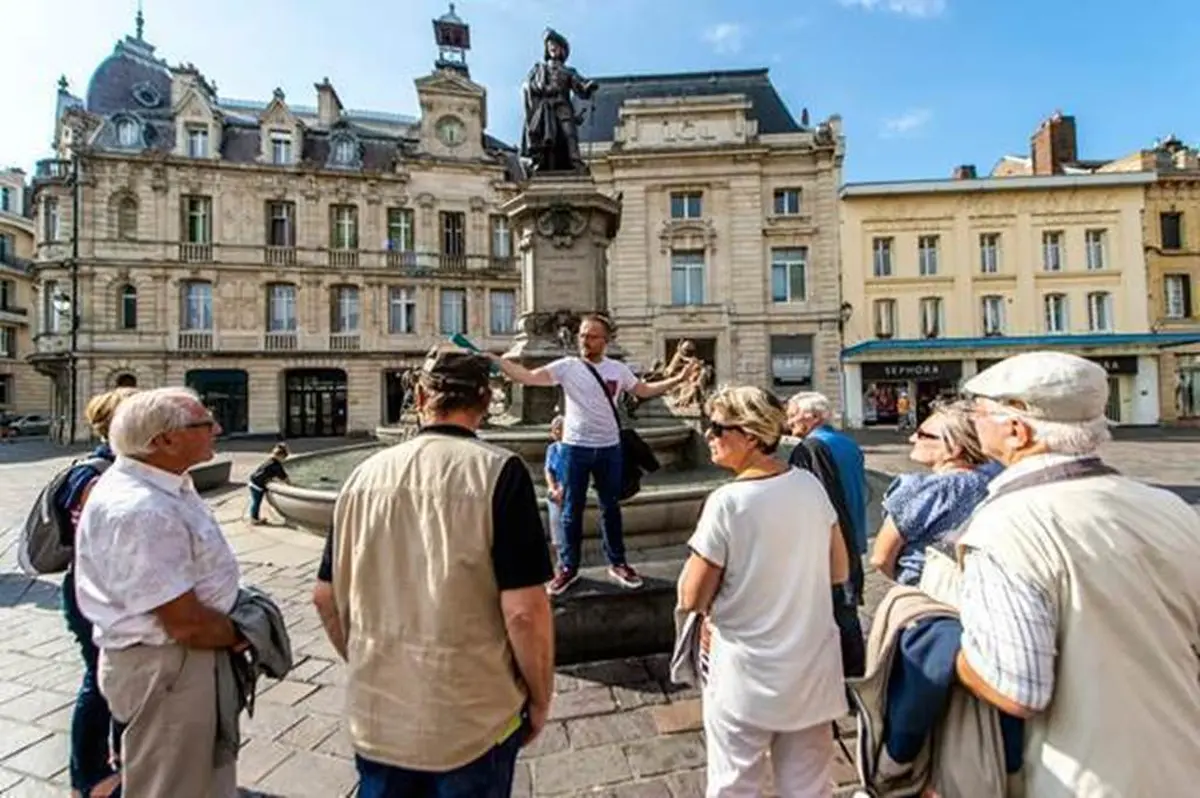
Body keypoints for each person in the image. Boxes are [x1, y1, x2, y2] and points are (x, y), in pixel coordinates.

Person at [955, 351, 1200, 796]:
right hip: (1183, 761)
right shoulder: (1169, 508)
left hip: (1081, 779)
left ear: (1017, 429)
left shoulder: (1008, 525)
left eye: (981, 412)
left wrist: (950, 654)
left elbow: (1016, 688)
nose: (973, 422)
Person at [329, 348, 555, 797]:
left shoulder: (363, 475)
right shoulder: (500, 473)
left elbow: (323, 597)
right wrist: (540, 695)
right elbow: (525, 613)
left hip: (377, 714)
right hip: (471, 718)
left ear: (419, 395)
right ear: (487, 399)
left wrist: (370, 660)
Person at [678, 386, 849, 797]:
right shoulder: (808, 485)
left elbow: (691, 596)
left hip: (745, 669)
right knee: (809, 786)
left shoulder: (728, 501)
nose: (709, 436)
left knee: (735, 784)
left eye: (718, 428)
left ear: (751, 436)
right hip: (811, 665)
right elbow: (838, 569)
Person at [75, 387, 244, 798]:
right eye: (205, 423)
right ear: (164, 440)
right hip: (168, 668)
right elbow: (183, 622)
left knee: (198, 777)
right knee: (171, 785)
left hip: (177, 663)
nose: (217, 428)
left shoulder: (168, 484)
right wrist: (241, 633)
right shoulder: (142, 510)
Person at [489, 314, 698, 595]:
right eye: (582, 336)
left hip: (610, 447)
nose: (585, 341)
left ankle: (618, 562)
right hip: (575, 447)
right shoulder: (567, 367)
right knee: (571, 510)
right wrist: (496, 359)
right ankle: (567, 568)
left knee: (610, 508)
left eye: (591, 336)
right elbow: (527, 377)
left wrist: (679, 379)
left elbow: (644, 389)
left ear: (605, 340)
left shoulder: (617, 370)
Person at [55, 387, 138, 798]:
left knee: (115, 677)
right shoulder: (93, 475)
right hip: (93, 590)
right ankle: (87, 775)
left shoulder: (113, 469)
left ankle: (117, 760)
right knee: (100, 679)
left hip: (105, 588)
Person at [869, 400, 999, 586]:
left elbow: (880, 559)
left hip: (927, 592)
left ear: (954, 448)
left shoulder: (922, 489)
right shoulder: (994, 481)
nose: (912, 438)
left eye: (923, 435)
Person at [785, 392, 868, 677]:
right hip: (854, 534)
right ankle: (855, 673)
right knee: (847, 610)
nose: (789, 419)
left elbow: (813, 502)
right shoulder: (847, 443)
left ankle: (844, 676)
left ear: (813, 417)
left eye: (794, 413)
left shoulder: (810, 449)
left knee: (834, 610)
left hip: (830, 543)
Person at [247, 443, 290, 524]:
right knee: (256, 502)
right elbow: (285, 478)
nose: (284, 459)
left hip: (254, 481)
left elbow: (266, 473)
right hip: (257, 485)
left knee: (255, 501)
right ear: (280, 456)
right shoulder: (276, 466)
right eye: (284, 457)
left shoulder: (270, 461)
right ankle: (254, 519)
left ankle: (254, 517)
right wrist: (292, 486)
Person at [544, 415, 566, 546]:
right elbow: (548, 470)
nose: (556, 431)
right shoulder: (552, 448)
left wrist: (562, 489)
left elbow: (572, 472)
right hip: (557, 487)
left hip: (570, 486)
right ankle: (558, 544)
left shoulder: (572, 449)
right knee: (553, 501)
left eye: (559, 428)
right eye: (554, 429)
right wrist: (552, 488)